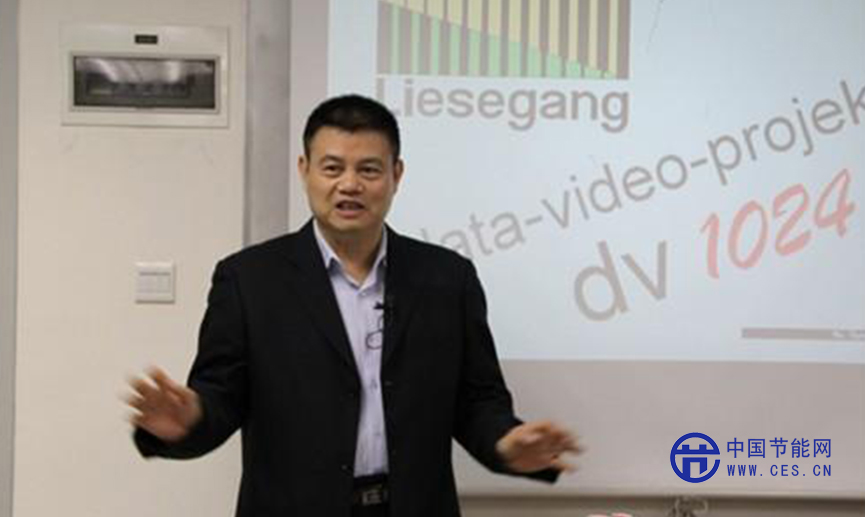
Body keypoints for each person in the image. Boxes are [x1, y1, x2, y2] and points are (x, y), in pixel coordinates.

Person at [126, 94, 580, 517]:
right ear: (304, 170)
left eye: (368, 169)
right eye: (332, 168)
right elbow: (219, 399)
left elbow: (478, 402)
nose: (349, 184)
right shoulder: (249, 280)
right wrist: (188, 421)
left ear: (396, 175)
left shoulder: (447, 279)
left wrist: (506, 444)